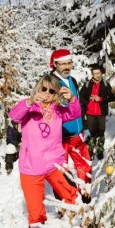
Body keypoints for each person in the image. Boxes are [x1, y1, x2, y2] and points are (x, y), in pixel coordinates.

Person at [9, 75, 80, 228]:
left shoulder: (57, 110)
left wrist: (72, 99)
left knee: (72, 196)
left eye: (52, 90)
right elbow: (14, 115)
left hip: (55, 164)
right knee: (36, 213)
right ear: (38, 89)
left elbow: (74, 113)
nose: (47, 93)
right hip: (31, 167)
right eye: (44, 89)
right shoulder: (29, 107)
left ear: (56, 93)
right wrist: (29, 101)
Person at [49, 49, 92, 203]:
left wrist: (84, 125)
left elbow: (78, 105)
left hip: (77, 133)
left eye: (69, 63)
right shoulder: (49, 82)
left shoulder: (72, 80)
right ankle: (66, 204)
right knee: (61, 173)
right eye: (63, 64)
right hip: (59, 137)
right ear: (55, 64)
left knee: (85, 166)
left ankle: (85, 198)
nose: (67, 67)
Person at [79, 64, 115, 160]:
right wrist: (88, 103)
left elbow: (112, 97)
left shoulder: (106, 84)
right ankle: (90, 151)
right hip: (90, 113)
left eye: (98, 73)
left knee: (101, 132)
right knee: (91, 132)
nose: (97, 75)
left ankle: (99, 150)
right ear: (92, 75)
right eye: (95, 73)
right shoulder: (87, 85)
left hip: (101, 112)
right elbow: (81, 97)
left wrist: (100, 99)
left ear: (101, 73)